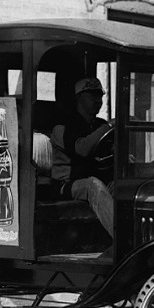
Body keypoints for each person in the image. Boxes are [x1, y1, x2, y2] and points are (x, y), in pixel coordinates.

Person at [50, 77, 114, 239]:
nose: (98, 100)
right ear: (78, 98)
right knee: (93, 185)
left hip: (96, 178)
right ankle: (124, 243)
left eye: (99, 96)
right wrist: (109, 126)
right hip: (65, 184)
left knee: (122, 186)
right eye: (91, 96)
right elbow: (82, 148)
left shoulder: (100, 124)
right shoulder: (63, 126)